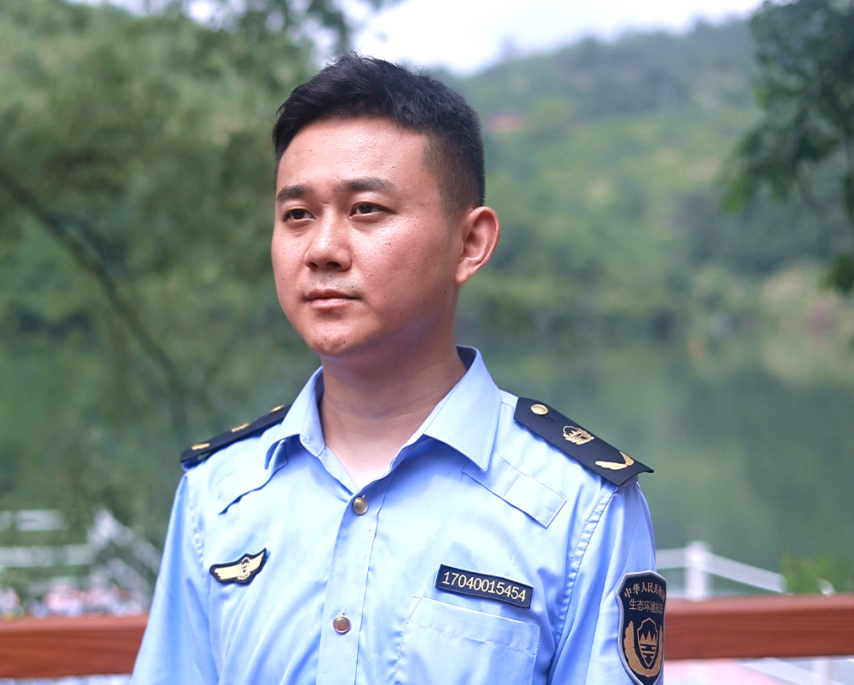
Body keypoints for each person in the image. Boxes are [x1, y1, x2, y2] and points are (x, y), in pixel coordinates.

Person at [131, 54, 664, 685]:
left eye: (366, 209)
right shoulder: (218, 494)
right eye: (297, 215)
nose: (322, 250)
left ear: (470, 243)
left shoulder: (582, 506)